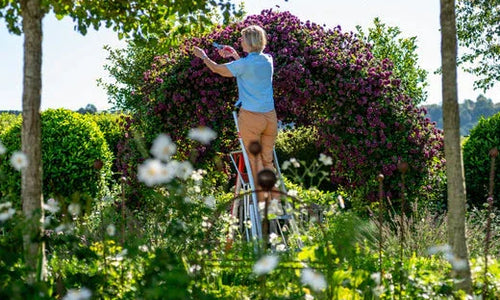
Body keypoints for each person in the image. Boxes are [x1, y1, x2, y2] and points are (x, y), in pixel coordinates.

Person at [193, 25, 277, 203]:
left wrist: (203, 56)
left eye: (242, 39)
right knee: (267, 160)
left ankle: (264, 203)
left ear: (250, 41)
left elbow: (217, 69)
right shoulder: (268, 60)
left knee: (255, 160)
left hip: (251, 117)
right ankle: (275, 198)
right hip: (270, 118)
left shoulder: (244, 64)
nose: (240, 42)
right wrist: (235, 56)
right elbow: (247, 71)